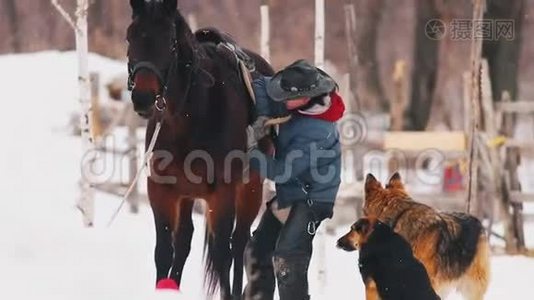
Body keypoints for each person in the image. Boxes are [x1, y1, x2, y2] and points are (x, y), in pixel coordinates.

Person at [244, 60, 345, 300]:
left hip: (312, 200)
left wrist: (250, 151)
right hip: (292, 193)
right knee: (257, 252)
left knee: (288, 259)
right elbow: (265, 88)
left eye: (286, 97)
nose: (280, 99)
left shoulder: (317, 131)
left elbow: (281, 171)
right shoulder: (297, 92)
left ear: (305, 97)